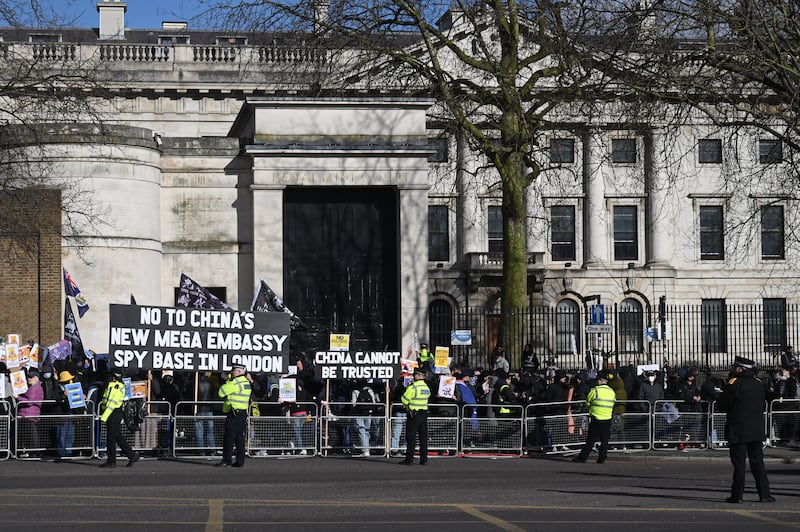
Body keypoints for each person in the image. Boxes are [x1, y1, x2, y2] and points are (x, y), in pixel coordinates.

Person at [718, 356, 774, 503]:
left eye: (735, 367)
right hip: (756, 430)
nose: (732, 369)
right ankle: (765, 494)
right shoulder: (759, 383)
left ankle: (737, 496)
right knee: (758, 464)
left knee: (739, 465)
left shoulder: (735, 383)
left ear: (741, 369)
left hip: (738, 430)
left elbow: (722, 404)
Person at [99, 371, 140, 468]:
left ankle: (112, 461)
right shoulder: (112, 385)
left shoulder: (116, 387)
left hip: (113, 413)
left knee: (111, 438)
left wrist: (104, 416)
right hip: (112, 413)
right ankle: (131, 455)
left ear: (114, 377)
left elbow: (111, 403)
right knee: (117, 436)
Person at [573, 372, 616, 464]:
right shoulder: (612, 392)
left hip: (596, 419)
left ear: (600, 381)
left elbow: (588, 403)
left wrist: (591, 409)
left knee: (590, 441)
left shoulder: (595, 390)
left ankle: (582, 458)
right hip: (607, 419)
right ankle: (602, 458)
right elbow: (613, 403)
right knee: (605, 441)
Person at [216, 364, 252, 468]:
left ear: (240, 372)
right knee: (239, 438)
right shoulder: (246, 383)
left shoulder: (235, 382)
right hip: (242, 413)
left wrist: (228, 381)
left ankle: (227, 460)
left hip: (234, 413)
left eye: (234, 371)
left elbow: (221, 392)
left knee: (229, 437)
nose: (232, 372)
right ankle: (240, 461)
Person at [400, 367, 431, 465]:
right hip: (424, 414)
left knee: (411, 437)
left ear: (418, 376)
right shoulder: (426, 387)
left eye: (414, 375)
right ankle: (424, 459)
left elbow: (404, 399)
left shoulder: (413, 387)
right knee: (423, 438)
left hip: (414, 415)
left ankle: (409, 459)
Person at [16, 368, 44, 458]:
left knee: (29, 435)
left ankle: (32, 452)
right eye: (28, 377)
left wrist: (18, 398)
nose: (29, 379)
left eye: (31, 377)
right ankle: (33, 452)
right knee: (31, 434)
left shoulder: (33, 388)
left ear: (36, 378)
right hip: (31, 414)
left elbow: (29, 402)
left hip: (28, 414)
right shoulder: (39, 387)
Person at [194, 371, 217, 456]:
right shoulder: (210, 383)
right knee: (210, 432)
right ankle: (212, 450)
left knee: (199, 432)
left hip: (199, 409)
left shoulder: (196, 383)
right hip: (209, 408)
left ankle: (201, 451)